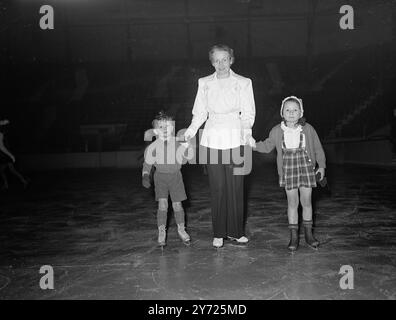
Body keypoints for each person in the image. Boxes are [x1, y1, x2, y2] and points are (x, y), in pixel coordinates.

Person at [184, 44, 256, 248]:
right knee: (218, 188)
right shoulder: (204, 83)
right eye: (217, 60)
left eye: (225, 59)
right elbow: (199, 113)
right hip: (212, 139)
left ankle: (235, 232)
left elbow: (248, 113)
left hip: (236, 138)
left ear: (231, 60)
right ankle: (219, 233)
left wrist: (246, 134)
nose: (221, 64)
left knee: (236, 188)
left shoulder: (244, 82)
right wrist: (189, 132)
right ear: (212, 62)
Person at [251, 96, 326, 251]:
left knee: (307, 202)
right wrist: (252, 145)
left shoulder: (308, 129)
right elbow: (266, 146)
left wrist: (322, 166)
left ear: (301, 112)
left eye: (295, 110)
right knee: (292, 203)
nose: (291, 113)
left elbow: (318, 149)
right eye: (287, 110)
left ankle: (309, 235)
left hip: (307, 168)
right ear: (282, 113)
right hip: (288, 170)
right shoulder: (277, 131)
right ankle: (293, 236)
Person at [142, 111, 193, 247]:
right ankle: (161, 231)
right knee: (163, 204)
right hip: (160, 179)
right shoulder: (152, 147)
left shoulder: (177, 143)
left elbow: (185, 160)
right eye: (161, 127)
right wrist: (146, 176)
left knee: (177, 205)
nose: (165, 129)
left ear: (173, 128)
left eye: (168, 126)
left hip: (176, 177)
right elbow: (147, 164)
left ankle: (181, 229)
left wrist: (187, 147)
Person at [0, 119, 29, 190]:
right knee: (8, 170)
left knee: (8, 170)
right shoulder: (3, 133)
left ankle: (23, 181)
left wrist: (10, 155)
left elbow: (2, 147)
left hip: (5, 155)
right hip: (5, 155)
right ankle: (23, 181)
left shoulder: (1, 134)